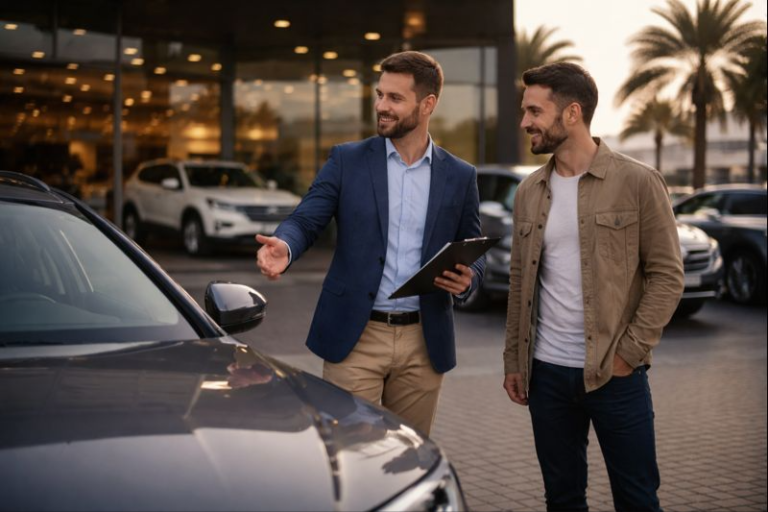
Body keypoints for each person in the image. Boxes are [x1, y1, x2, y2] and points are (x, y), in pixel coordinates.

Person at [256, 51, 485, 436]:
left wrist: (470, 279)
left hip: (424, 343)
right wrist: (286, 245)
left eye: (395, 98)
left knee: (410, 459)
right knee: (351, 453)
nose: (381, 106)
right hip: (356, 337)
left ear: (427, 104)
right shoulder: (347, 160)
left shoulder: (460, 175)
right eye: (380, 95)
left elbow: (471, 243)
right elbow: (307, 218)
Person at [502, 62, 684, 512]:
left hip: (614, 375)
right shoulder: (529, 191)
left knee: (637, 499)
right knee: (562, 499)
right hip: (545, 374)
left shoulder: (638, 182)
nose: (524, 122)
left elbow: (667, 274)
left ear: (572, 113)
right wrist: (514, 359)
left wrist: (629, 353)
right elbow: (521, 281)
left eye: (534, 111)